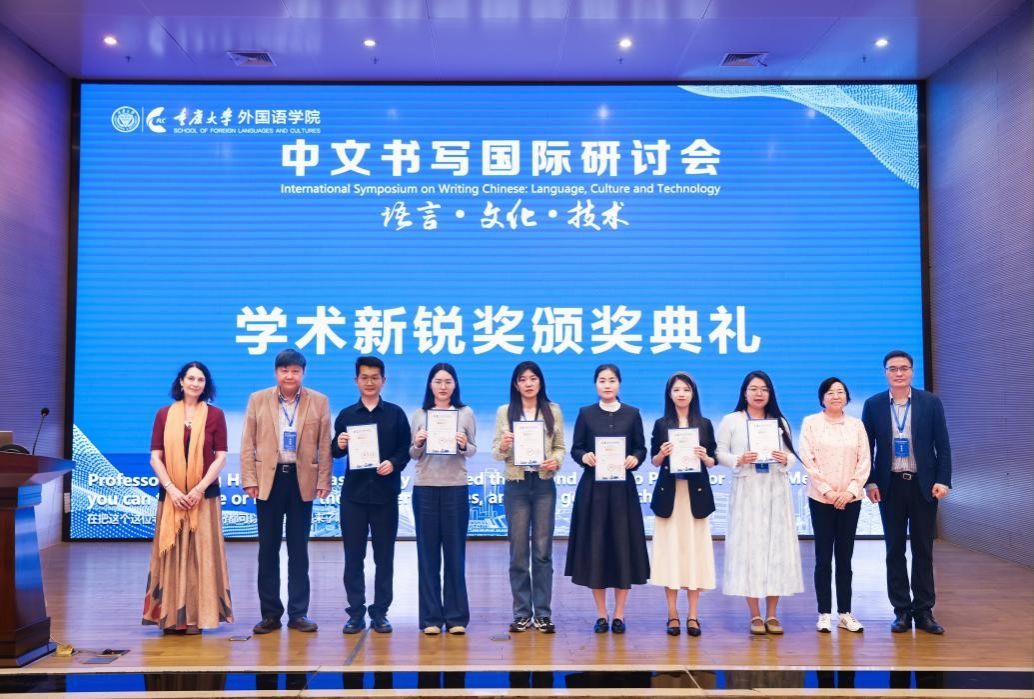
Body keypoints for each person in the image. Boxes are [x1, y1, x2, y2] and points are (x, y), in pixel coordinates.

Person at [241, 348, 332, 634]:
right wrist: (249, 478)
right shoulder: (258, 399)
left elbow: (324, 445)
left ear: (303, 373)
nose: (289, 375)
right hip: (269, 481)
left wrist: (324, 480)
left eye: (295, 371)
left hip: (301, 481)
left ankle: (298, 613)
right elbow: (247, 442)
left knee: (299, 550)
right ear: (276, 372)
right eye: (284, 370)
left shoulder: (319, 401)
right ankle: (270, 614)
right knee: (267, 550)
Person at [861, 350, 952, 635]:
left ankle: (924, 611)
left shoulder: (930, 402)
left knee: (923, 549)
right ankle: (901, 610)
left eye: (904, 368)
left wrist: (943, 480)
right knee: (894, 549)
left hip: (924, 485)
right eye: (893, 369)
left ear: (912, 371)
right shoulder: (874, 404)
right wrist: (870, 482)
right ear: (885, 373)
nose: (898, 373)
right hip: (889, 486)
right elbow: (867, 448)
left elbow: (943, 444)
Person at [142, 361, 232, 634]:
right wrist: (171, 488)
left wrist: (198, 489)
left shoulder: (215, 415)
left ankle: (196, 618)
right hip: (172, 497)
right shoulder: (163, 414)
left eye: (200, 380)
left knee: (201, 557)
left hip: (203, 496)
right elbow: (155, 457)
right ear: (181, 381)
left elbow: (221, 456)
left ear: (206, 385)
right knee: (170, 555)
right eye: (191, 378)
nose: (195, 383)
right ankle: (170, 617)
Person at [716, 370, 803, 635]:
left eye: (764, 389)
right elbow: (719, 453)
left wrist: (785, 458)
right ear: (744, 393)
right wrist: (738, 459)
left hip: (776, 490)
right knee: (750, 550)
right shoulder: (732, 420)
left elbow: (791, 455)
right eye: (753, 388)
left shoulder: (779, 422)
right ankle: (755, 614)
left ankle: (772, 615)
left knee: (776, 550)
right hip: (747, 490)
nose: (759, 393)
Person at [565, 364, 649, 634]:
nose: (607, 385)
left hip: (623, 490)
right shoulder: (586, 414)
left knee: (623, 548)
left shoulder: (632, 413)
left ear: (619, 384)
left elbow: (641, 447)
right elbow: (576, 448)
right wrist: (584, 456)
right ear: (596, 385)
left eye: (612, 380)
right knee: (597, 548)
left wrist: (635, 458)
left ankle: (620, 614)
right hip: (594, 491)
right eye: (602, 380)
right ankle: (601, 614)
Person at [333, 356, 412, 635]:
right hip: (353, 497)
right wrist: (339, 443)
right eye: (364, 377)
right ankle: (355, 613)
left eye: (374, 377)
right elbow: (334, 451)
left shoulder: (396, 414)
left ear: (383, 381)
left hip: (385, 496)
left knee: (384, 558)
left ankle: (380, 613)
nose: (369, 382)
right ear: (356, 380)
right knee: (353, 558)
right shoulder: (346, 415)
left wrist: (393, 463)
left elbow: (405, 449)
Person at [491, 361, 565, 634]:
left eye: (533, 378)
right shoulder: (504, 412)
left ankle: (543, 614)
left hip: (543, 484)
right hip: (516, 485)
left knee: (543, 552)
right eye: (523, 379)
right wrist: (504, 445)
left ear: (540, 382)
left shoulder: (552, 410)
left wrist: (555, 461)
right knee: (519, 553)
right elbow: (496, 453)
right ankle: (522, 613)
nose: (529, 383)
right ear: (516, 384)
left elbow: (560, 447)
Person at [408, 363, 477, 636]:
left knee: (455, 555)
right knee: (427, 556)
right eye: (438, 381)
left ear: (455, 384)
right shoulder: (420, 414)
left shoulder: (465, 413)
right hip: (425, 488)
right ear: (430, 384)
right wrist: (418, 443)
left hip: (455, 487)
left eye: (448, 381)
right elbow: (413, 453)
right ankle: (431, 619)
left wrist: (463, 444)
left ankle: (456, 617)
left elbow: (472, 450)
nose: (443, 386)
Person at [799, 377, 871, 634]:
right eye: (830, 392)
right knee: (823, 558)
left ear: (847, 397)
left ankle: (845, 613)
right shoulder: (810, 423)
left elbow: (865, 460)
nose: (836, 396)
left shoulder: (856, 425)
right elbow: (808, 460)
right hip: (821, 499)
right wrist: (828, 491)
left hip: (850, 500)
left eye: (840, 392)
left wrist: (850, 491)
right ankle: (824, 613)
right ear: (822, 398)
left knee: (844, 557)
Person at [649, 372, 717, 638]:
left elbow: (712, 461)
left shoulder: (704, 424)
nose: (681, 394)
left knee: (694, 553)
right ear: (669, 394)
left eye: (686, 389)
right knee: (671, 554)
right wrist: (662, 453)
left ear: (693, 393)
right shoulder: (661, 424)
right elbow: (654, 461)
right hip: (670, 495)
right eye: (676, 389)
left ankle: (693, 615)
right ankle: (672, 614)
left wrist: (705, 457)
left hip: (695, 496)